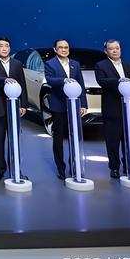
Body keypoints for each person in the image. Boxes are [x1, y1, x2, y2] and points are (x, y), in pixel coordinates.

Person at [94, 39, 130, 179]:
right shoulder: (101, 65)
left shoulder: (128, 65)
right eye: (111, 49)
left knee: (129, 140)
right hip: (112, 107)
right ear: (106, 51)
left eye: (117, 48)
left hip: (128, 107)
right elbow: (101, 81)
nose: (115, 50)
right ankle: (114, 168)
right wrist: (118, 80)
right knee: (113, 140)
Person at [0, 37, 28, 182]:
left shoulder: (17, 64)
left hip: (14, 107)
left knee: (14, 140)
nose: (4, 48)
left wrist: (23, 104)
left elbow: (22, 84)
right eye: (1, 46)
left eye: (7, 46)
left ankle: (16, 170)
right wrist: (4, 80)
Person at [44, 39, 88, 180]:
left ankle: (74, 167)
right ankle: (61, 168)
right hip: (59, 106)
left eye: (66, 47)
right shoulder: (50, 64)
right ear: (55, 49)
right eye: (61, 47)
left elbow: (80, 84)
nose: (64, 50)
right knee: (58, 138)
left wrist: (83, 104)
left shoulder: (75, 64)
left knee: (74, 137)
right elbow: (50, 80)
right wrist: (64, 80)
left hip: (74, 106)